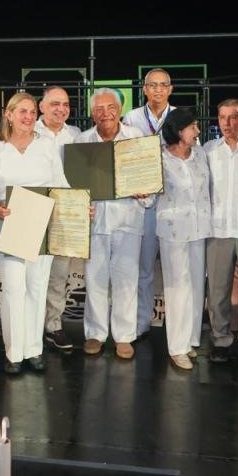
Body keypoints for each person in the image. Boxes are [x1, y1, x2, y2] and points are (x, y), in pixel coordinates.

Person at [0, 92, 70, 374]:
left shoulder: (46, 145)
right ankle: (14, 353)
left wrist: (79, 209)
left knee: (37, 287)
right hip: (9, 225)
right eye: (22, 111)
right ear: (8, 114)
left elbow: (61, 185)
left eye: (32, 112)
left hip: (41, 223)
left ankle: (34, 350)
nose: (29, 117)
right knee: (12, 289)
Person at [75, 89, 151, 359]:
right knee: (94, 280)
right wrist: (78, 205)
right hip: (94, 221)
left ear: (120, 110)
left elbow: (149, 178)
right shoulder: (82, 141)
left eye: (110, 107)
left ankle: (124, 336)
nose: (105, 113)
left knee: (126, 281)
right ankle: (95, 334)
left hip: (128, 219)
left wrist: (145, 192)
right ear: (91, 113)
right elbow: (74, 183)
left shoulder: (136, 137)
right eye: (99, 108)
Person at [203, 99, 238, 364]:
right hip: (218, 229)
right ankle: (221, 339)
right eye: (222, 117)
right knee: (217, 289)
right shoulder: (209, 150)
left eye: (233, 117)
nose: (227, 123)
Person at [156, 107, 212, 370]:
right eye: (193, 126)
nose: (197, 130)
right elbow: (148, 195)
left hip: (200, 229)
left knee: (196, 286)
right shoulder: (160, 158)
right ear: (179, 131)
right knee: (177, 288)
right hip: (173, 231)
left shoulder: (200, 154)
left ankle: (190, 340)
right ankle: (177, 347)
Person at [123, 68, 176, 338]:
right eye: (152, 85)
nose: (157, 90)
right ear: (144, 89)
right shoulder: (131, 118)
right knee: (143, 269)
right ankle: (141, 322)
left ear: (170, 89)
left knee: (176, 271)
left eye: (163, 85)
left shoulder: (179, 116)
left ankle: (177, 328)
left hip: (173, 202)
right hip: (143, 203)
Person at [35, 86, 83, 352]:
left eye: (65, 104)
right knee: (32, 275)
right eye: (54, 103)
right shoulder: (28, 132)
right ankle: (30, 328)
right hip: (34, 210)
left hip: (66, 214)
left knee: (59, 274)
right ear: (41, 106)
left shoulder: (76, 135)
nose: (61, 109)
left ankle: (53, 326)